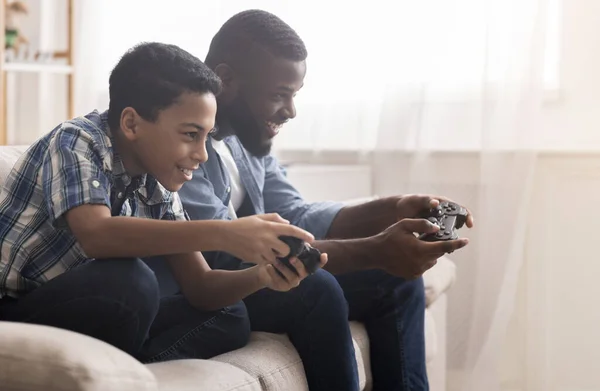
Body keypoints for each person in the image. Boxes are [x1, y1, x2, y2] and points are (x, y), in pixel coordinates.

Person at [170, 10, 475, 391]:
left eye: (294, 95)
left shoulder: (247, 137)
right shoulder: (178, 145)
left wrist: (391, 207)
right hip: (223, 283)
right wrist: (375, 250)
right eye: (279, 95)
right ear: (226, 79)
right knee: (318, 288)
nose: (291, 111)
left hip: (255, 270)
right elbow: (228, 255)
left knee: (396, 282)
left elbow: (297, 213)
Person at [0, 41, 322, 363]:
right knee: (130, 282)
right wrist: (227, 233)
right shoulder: (77, 140)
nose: (203, 154)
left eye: (206, 136)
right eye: (190, 135)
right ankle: (122, 367)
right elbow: (97, 234)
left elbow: (201, 286)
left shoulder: (158, 181)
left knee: (230, 314)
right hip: (15, 309)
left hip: (85, 309)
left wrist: (264, 274)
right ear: (131, 124)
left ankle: (130, 366)